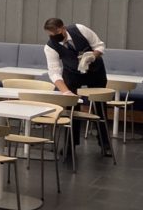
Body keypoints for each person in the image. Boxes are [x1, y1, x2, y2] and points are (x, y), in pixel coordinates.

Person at [43, 17, 112, 154]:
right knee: (71, 108)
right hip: (72, 74)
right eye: (50, 35)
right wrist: (65, 92)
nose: (53, 37)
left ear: (63, 28)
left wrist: (93, 55)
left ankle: (105, 145)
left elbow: (99, 45)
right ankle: (70, 145)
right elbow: (54, 72)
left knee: (100, 107)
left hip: (95, 71)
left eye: (56, 33)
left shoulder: (80, 29)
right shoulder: (50, 47)